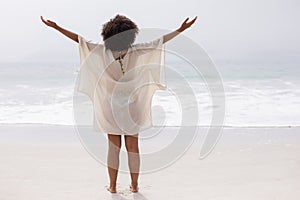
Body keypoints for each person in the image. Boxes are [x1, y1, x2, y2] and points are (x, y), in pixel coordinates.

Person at [40, 14, 197, 193]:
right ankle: (135, 186)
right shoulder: (137, 51)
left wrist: (57, 27)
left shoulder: (101, 51)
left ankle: (113, 187)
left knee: (113, 148)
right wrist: (181, 29)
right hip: (133, 106)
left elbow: (79, 40)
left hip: (110, 107)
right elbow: (159, 41)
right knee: (133, 147)